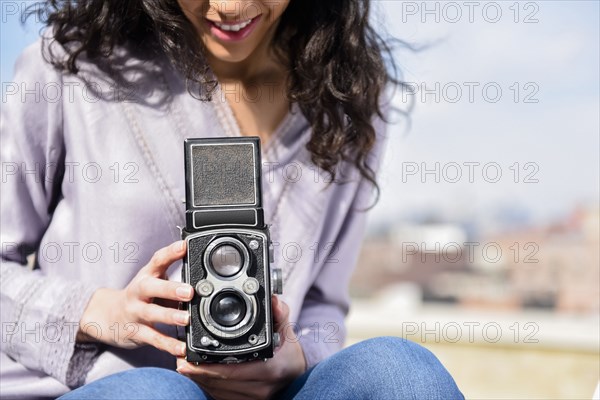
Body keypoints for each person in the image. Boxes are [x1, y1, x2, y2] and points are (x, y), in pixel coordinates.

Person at [0, 0, 464, 399]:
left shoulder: (347, 98)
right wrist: (92, 311)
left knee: (398, 371)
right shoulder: (69, 66)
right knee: (158, 392)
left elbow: (323, 303)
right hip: (105, 386)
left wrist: (297, 357)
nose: (230, 8)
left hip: (274, 393)